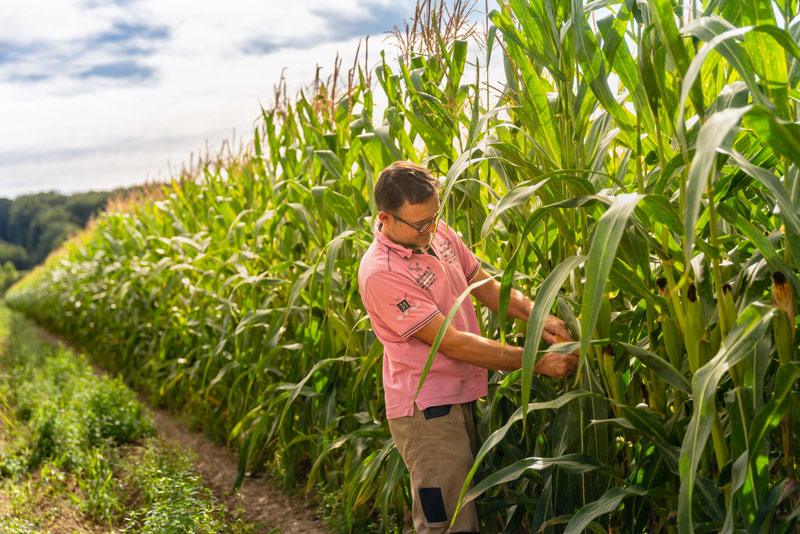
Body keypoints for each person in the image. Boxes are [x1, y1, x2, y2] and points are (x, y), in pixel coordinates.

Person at [357, 161, 578, 533]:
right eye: (420, 224)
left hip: (459, 396)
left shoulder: (436, 232)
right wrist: (536, 363)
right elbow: (454, 344)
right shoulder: (382, 273)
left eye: (434, 217)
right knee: (447, 523)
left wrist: (542, 319)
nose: (430, 229)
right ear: (386, 218)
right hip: (426, 412)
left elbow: (487, 286)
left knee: (466, 511)